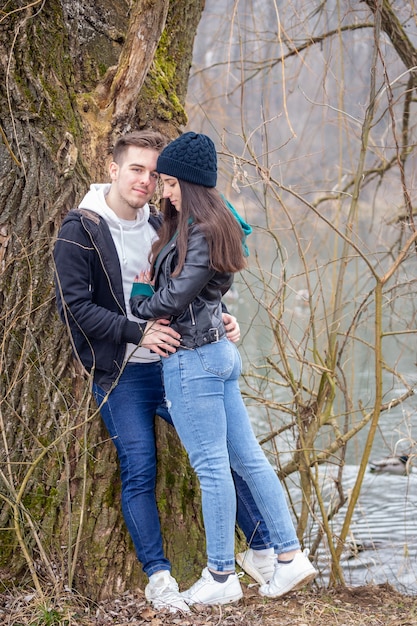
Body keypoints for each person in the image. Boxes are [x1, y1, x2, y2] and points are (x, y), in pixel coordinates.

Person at [53, 130, 278, 614]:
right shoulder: (82, 229)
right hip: (123, 373)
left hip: (183, 363)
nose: (146, 181)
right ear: (112, 168)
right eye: (136, 169)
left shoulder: (163, 221)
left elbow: (195, 285)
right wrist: (138, 334)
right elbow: (74, 309)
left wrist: (220, 320)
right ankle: (159, 577)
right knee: (140, 468)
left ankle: (263, 551)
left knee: (222, 456)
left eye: (155, 174)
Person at [130, 131, 318, 606]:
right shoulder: (215, 223)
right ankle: (290, 557)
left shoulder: (203, 230)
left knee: (213, 470)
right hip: (216, 354)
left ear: (190, 184)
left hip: (193, 361)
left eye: (170, 183)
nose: (164, 192)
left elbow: (177, 296)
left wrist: (141, 297)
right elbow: (209, 294)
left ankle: (220, 575)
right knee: (249, 462)